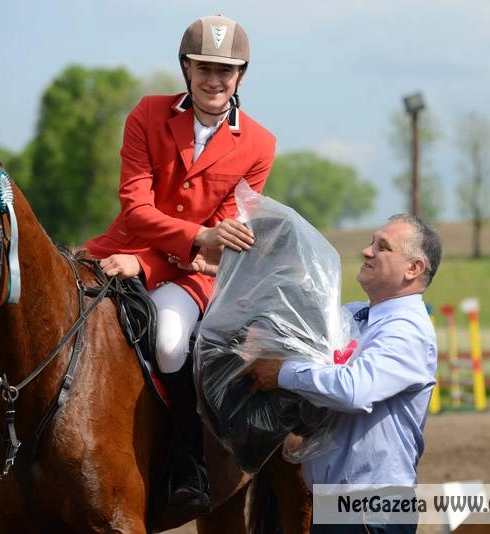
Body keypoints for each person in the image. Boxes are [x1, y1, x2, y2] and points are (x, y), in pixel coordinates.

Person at [82, 14, 276, 513]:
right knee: (41, 316)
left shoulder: (259, 145)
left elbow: (220, 247)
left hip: (187, 276)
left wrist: (146, 266)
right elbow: (136, 208)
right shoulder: (147, 114)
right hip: (114, 251)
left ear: (242, 76)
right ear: (186, 68)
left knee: (168, 343)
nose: (214, 80)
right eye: (204, 67)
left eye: (226, 71)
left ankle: (188, 463)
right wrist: (185, 240)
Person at [247, 214, 441, 534]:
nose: (367, 251)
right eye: (371, 242)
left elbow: (354, 391)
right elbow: (297, 324)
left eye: (383, 247)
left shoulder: (407, 331)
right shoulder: (354, 315)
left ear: (413, 269)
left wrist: (282, 372)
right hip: (337, 506)